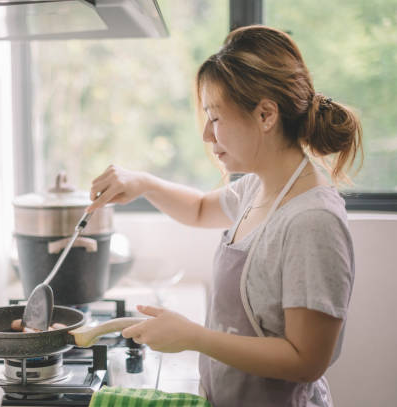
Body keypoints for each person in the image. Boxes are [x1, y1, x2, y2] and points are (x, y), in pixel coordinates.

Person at [85, 25, 362, 407]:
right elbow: (200, 209)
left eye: (215, 118)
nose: (205, 135)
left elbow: (306, 361)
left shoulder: (312, 221)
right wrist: (144, 183)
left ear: (266, 114)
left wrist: (194, 337)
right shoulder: (259, 186)